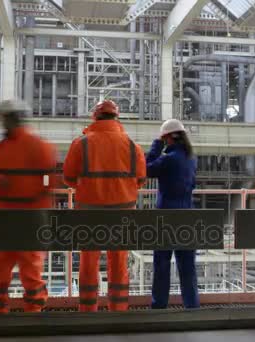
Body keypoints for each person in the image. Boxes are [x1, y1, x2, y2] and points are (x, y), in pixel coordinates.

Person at [63, 99, 146, 312]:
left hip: (90, 212)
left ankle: (87, 311)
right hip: (123, 213)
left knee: (88, 261)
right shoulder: (132, 146)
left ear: (95, 117)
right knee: (119, 262)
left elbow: (69, 178)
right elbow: (140, 179)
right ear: (117, 118)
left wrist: (90, 189)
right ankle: (118, 311)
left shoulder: (80, 143)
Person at [0, 100, 57, 314]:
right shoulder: (30, 146)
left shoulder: (9, 147)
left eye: (4, 119)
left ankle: (11, 309)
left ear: (13, 119)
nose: (2, 124)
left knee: (14, 264)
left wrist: (33, 191)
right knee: (23, 264)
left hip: (20, 215)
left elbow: (47, 180)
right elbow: (47, 180)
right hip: (23, 215)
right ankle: (27, 309)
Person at [146, 119, 200, 309]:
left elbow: (146, 169)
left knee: (162, 264)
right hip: (187, 216)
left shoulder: (168, 159)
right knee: (187, 266)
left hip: (166, 217)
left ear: (168, 138)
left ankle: (159, 307)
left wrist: (156, 145)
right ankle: (192, 307)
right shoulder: (192, 158)